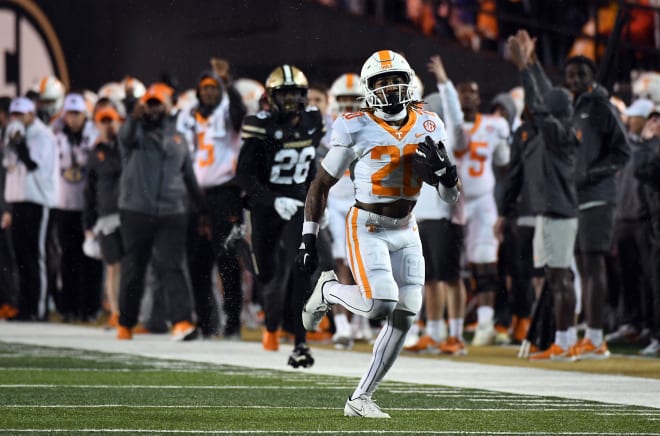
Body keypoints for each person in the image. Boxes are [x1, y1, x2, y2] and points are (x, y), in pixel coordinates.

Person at [297, 50, 460, 418]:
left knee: (405, 315)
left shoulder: (429, 122)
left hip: (407, 226)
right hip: (367, 225)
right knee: (380, 304)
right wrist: (309, 235)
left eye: (396, 79)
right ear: (369, 88)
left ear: (409, 82)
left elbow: (450, 196)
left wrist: (446, 174)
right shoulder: (354, 125)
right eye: (381, 81)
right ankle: (328, 289)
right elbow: (321, 185)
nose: (390, 87)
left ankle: (360, 398)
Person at [233, 64, 325, 367]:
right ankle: (243, 251)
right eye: (284, 94)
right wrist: (272, 200)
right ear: (271, 97)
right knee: (267, 274)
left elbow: (311, 167)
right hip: (265, 207)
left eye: (295, 94)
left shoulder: (313, 121)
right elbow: (244, 176)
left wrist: (313, 199)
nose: (290, 100)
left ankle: (300, 342)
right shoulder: (260, 125)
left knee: (303, 265)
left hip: (298, 204)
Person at [499, 31, 581, 361]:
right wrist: (532, 63)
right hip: (552, 211)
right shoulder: (561, 124)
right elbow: (545, 98)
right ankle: (558, 338)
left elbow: (538, 103)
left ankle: (564, 341)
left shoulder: (560, 132)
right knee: (552, 278)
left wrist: (523, 67)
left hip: (559, 212)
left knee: (560, 280)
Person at [116, 83, 205, 341]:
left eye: (158, 103)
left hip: (172, 212)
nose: (153, 109)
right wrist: (135, 113)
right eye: (149, 104)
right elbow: (125, 137)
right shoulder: (134, 134)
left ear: (167, 107)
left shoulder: (178, 137)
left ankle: (182, 322)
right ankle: (126, 322)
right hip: (136, 210)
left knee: (173, 266)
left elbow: (188, 176)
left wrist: (202, 210)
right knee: (134, 268)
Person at [565, 55, 630, 359]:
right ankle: (591, 334)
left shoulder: (602, 107)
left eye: (581, 74)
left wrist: (592, 174)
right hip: (578, 197)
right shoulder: (576, 108)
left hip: (598, 196)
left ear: (591, 76)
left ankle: (596, 337)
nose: (575, 79)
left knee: (593, 264)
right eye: (571, 75)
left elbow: (623, 150)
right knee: (582, 264)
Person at [177, 60, 247, 339]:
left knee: (228, 261)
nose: (209, 92)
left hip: (225, 194)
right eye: (204, 88)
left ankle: (233, 323)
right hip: (194, 197)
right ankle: (207, 323)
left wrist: (228, 84)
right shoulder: (186, 116)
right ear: (197, 91)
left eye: (213, 88)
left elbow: (240, 114)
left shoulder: (227, 114)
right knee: (197, 263)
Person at [405, 54, 468, 355]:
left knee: (449, 276)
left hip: (446, 216)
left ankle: (455, 334)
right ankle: (433, 332)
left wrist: (444, 82)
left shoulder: (451, 135)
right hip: (422, 215)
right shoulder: (414, 136)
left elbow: (455, 117)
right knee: (429, 278)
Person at [454, 79, 510, 346]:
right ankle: (441, 325)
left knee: (486, 263)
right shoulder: (443, 125)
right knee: (446, 268)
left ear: (479, 98)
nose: (467, 97)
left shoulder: (493, 125)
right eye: (462, 92)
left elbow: (503, 161)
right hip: (451, 203)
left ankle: (485, 324)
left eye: (472, 92)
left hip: (483, 202)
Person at [2, 97, 58, 320]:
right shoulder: (14, 134)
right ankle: (25, 307)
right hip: (18, 200)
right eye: (13, 114)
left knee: (36, 256)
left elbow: (33, 164)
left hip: (37, 201)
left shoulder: (43, 135)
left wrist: (19, 144)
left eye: (20, 114)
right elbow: (9, 164)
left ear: (31, 114)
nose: (16, 119)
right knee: (21, 257)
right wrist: (12, 143)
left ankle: (39, 309)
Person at [52, 93, 103, 322]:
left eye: (77, 114)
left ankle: (90, 309)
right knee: (68, 258)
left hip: (87, 205)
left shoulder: (94, 135)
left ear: (85, 115)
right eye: (69, 114)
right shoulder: (56, 134)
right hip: (64, 204)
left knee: (91, 258)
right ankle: (69, 307)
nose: (72, 119)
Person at [83, 103, 124, 328]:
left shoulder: (127, 146)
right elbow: (88, 191)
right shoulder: (95, 153)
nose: (108, 125)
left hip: (129, 213)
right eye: (104, 120)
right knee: (112, 265)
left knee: (129, 265)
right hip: (107, 216)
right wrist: (87, 223)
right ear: (97, 124)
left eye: (111, 120)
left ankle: (128, 310)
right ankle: (116, 312)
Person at [0, 96, 19, 319]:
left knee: (10, 257)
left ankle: (12, 300)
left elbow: (8, 177)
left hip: (8, 203)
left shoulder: (13, 138)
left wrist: (8, 208)